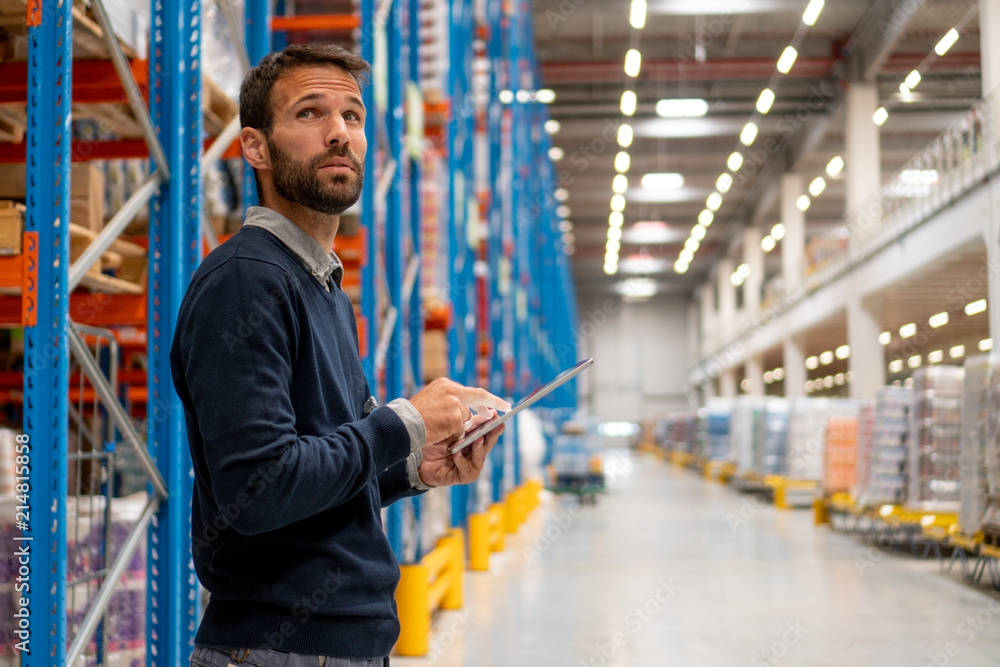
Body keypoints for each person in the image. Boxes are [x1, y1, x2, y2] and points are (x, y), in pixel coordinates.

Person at [170, 43, 510, 667]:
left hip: (340, 645)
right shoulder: (247, 280)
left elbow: (318, 466)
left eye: (352, 116)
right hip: (281, 648)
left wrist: (412, 468)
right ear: (255, 148)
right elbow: (260, 488)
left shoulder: (323, 288)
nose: (339, 134)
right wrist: (404, 422)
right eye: (309, 114)